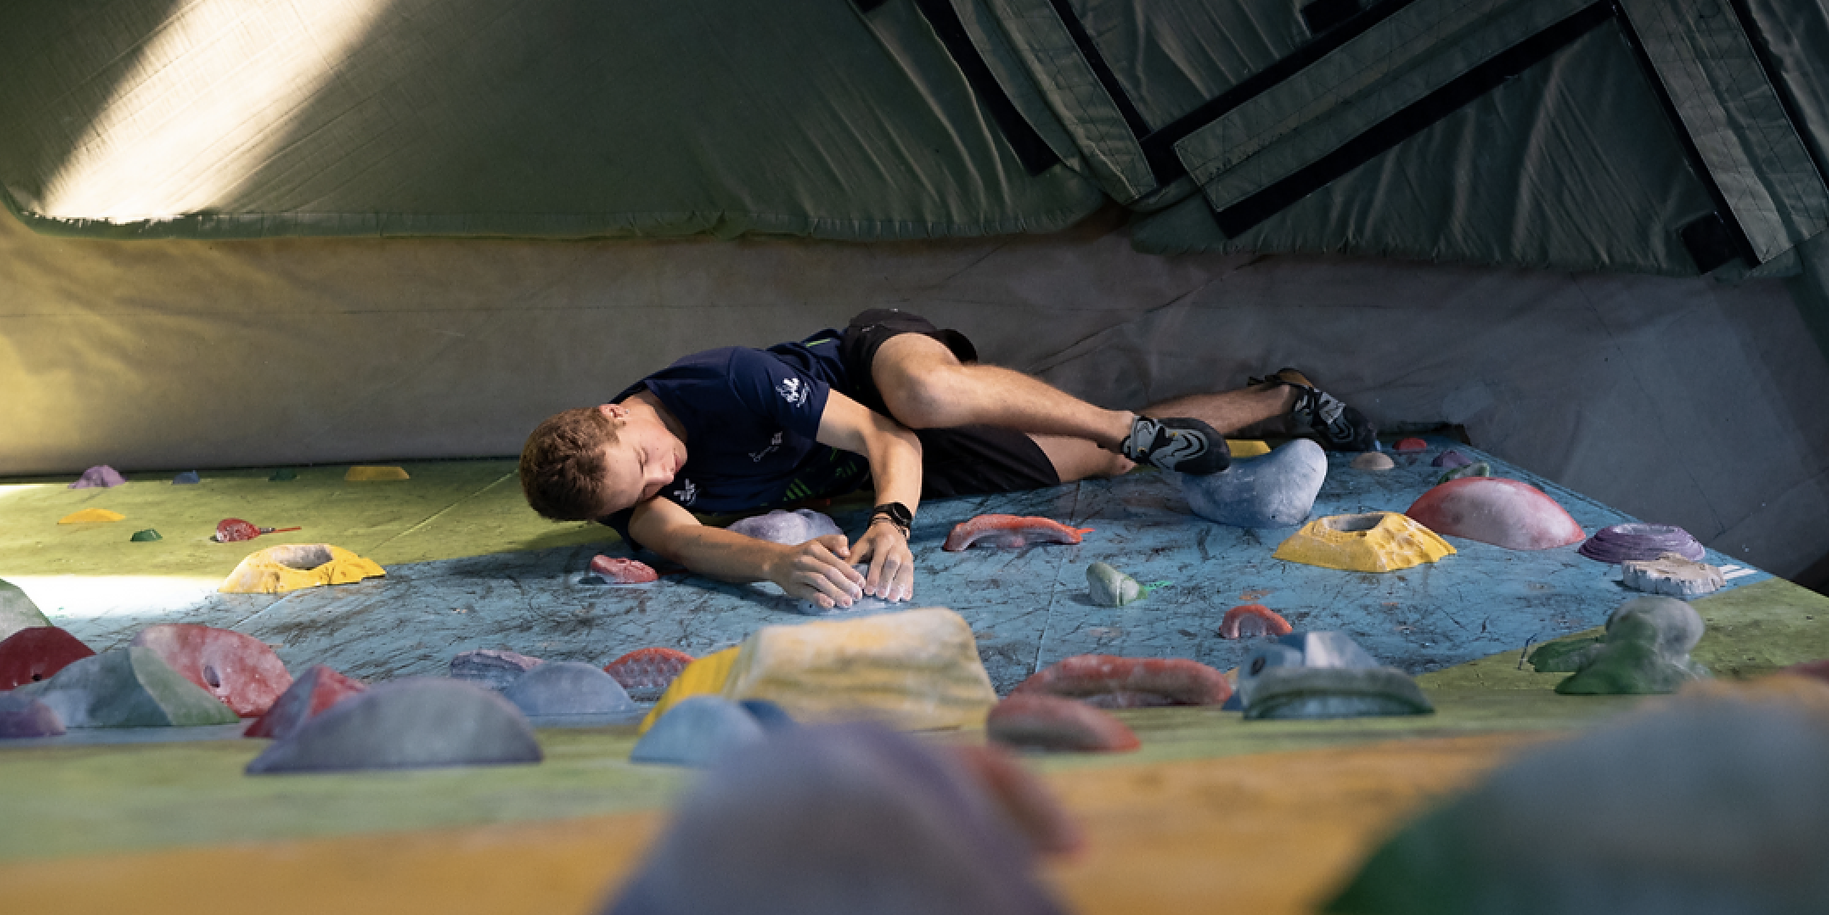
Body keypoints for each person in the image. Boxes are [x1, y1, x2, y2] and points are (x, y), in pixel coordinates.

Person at [519, 307, 1372, 610]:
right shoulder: (626, 491)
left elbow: (889, 436)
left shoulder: (725, 381)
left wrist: (893, 520)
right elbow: (687, 541)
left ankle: (1121, 422)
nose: (664, 479)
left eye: (647, 459)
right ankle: (1281, 398)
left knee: (926, 396)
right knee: (1105, 466)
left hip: (873, 376)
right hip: (870, 469)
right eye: (643, 488)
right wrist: (778, 564)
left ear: (614, 412)